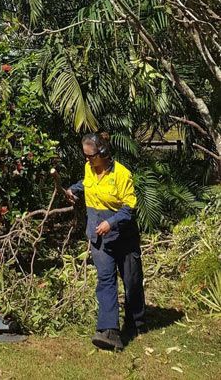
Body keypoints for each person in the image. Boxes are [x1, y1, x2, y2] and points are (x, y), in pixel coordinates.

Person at [65, 131, 146, 351]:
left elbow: (129, 208)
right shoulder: (89, 169)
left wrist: (111, 222)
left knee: (131, 280)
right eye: (85, 156)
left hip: (122, 236)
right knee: (106, 280)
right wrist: (74, 189)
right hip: (98, 236)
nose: (87, 160)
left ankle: (136, 321)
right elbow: (87, 183)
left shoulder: (121, 174)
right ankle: (109, 330)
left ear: (103, 153)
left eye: (90, 156)